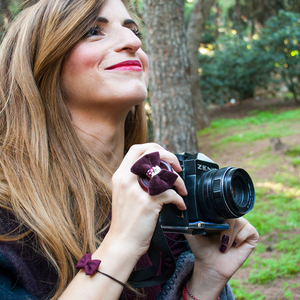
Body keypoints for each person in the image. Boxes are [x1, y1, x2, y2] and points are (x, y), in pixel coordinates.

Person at [0, 0, 259, 299]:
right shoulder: (9, 224)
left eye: (133, 29)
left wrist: (206, 282)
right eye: (93, 31)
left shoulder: (166, 195)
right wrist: (121, 244)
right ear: (41, 62)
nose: (133, 41)